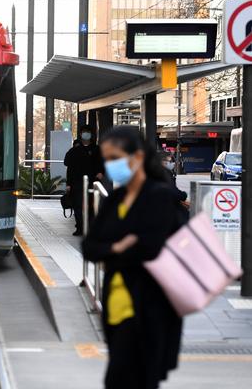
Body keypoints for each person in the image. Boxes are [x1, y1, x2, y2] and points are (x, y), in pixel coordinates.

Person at [81, 126, 183, 389]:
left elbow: (150, 248)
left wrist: (111, 248)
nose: (110, 165)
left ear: (137, 157)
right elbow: (90, 247)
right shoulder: (116, 199)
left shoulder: (159, 196)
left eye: (115, 158)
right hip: (116, 304)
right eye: (107, 159)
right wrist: (119, 247)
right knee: (122, 378)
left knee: (128, 380)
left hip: (150, 306)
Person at [64, 126, 104, 235]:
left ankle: (90, 228)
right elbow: (68, 165)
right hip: (77, 183)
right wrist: (68, 184)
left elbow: (102, 164)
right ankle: (80, 227)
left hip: (93, 182)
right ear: (81, 134)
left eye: (88, 132)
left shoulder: (97, 149)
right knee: (78, 206)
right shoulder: (75, 150)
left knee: (91, 206)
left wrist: (101, 173)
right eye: (84, 132)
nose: (86, 134)